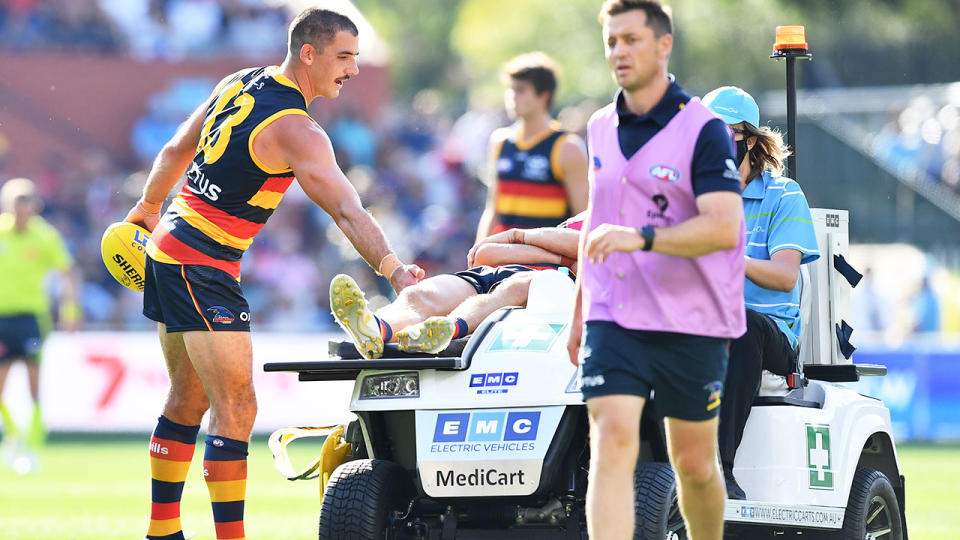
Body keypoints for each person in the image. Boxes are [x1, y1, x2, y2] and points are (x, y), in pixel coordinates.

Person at [121, 9, 423, 540]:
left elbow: (175, 150)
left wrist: (146, 207)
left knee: (188, 398)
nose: (352, 70)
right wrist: (394, 270)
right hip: (202, 262)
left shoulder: (239, 81)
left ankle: (162, 532)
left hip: (169, 247)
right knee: (237, 406)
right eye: (344, 57)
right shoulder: (299, 131)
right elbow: (348, 210)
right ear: (309, 53)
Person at [565, 2, 746, 539]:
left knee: (692, 463)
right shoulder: (598, 126)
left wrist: (642, 238)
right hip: (612, 315)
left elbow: (723, 228)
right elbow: (595, 225)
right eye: (612, 41)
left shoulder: (706, 130)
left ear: (663, 45)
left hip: (691, 321)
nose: (619, 52)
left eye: (631, 40)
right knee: (612, 437)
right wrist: (579, 314)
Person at [702, 86, 820, 500]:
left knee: (739, 323)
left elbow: (785, 276)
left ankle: (720, 467)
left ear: (748, 140)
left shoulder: (784, 195)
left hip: (767, 333)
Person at [332, 214, 583, 359]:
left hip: (547, 287)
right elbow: (486, 254)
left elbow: (587, 247)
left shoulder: (613, 226)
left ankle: (446, 329)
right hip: (490, 273)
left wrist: (519, 237)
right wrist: (563, 256)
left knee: (515, 287)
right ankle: (375, 327)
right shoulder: (578, 220)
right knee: (421, 293)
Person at [0, 178, 80, 472]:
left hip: (31, 318)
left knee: (34, 385)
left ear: (36, 205)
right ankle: (13, 437)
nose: (22, 207)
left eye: (27, 201)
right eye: (17, 201)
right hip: (1, 318)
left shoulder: (45, 237)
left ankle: (32, 446)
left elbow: (69, 273)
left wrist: (71, 310)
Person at [475, 51, 589, 241]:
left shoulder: (567, 147)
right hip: (501, 260)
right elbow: (492, 209)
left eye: (520, 90)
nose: (512, 96)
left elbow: (582, 220)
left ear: (543, 96)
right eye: (510, 89)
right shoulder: (500, 141)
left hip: (545, 263)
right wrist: (476, 256)